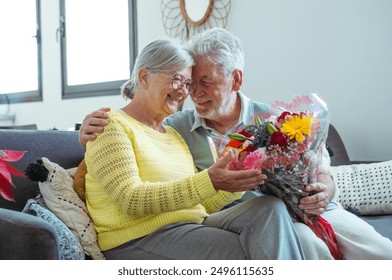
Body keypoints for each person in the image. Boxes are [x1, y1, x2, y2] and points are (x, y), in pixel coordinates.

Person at [80, 28, 392, 259]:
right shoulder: (176, 126)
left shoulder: (272, 119)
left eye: (201, 82)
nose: (191, 92)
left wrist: (323, 190)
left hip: (303, 209)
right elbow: (115, 170)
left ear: (236, 80)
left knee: (379, 251)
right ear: (145, 77)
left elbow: (320, 166)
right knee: (305, 245)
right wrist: (83, 134)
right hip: (179, 227)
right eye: (187, 81)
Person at [83, 38, 307, 260]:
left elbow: (200, 203)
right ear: (144, 77)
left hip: (190, 224)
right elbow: (130, 199)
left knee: (269, 208)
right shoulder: (110, 125)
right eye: (177, 79)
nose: (184, 92)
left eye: (187, 84)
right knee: (249, 252)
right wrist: (210, 180)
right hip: (138, 237)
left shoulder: (173, 135)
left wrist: (234, 180)